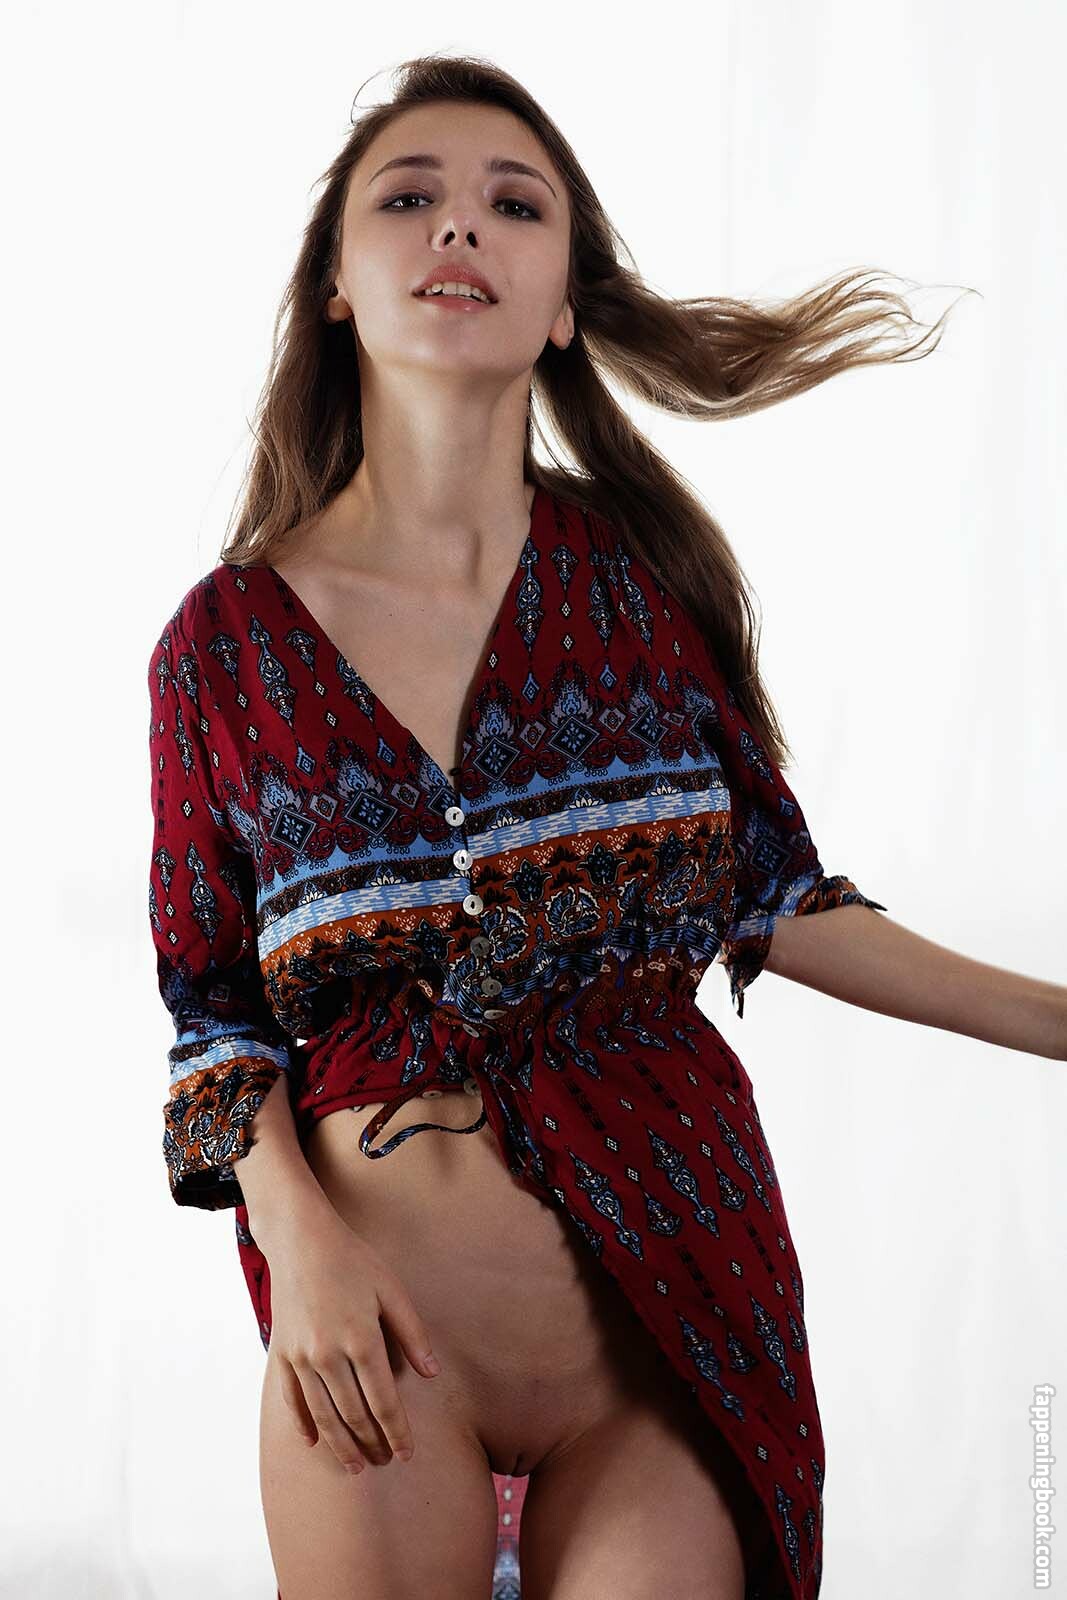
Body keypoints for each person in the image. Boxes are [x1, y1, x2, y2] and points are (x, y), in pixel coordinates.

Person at [145, 53, 1063, 1600]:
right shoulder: (221, 650)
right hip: (377, 1356)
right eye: (409, 197)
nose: (460, 226)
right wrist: (298, 1243)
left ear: (565, 303)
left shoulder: (642, 583)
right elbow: (213, 1017)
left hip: (666, 1341)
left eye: (517, 206)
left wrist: (1058, 1021)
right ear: (335, 288)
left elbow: (773, 896)